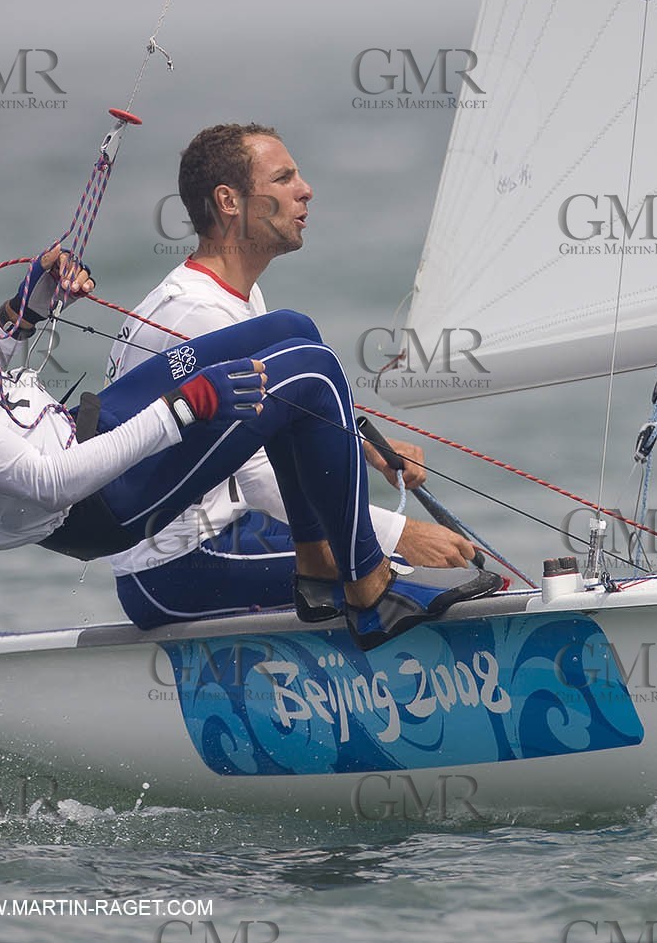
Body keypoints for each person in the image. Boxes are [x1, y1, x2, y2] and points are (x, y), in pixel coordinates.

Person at [0, 154, 498, 649]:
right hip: (92, 501)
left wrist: (26, 309)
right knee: (306, 372)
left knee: (291, 331)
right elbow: (45, 483)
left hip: (80, 427)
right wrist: (185, 407)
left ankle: (321, 563)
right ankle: (367, 592)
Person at [103, 123, 489, 633]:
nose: (305, 190)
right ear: (229, 202)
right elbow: (260, 478)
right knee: (416, 578)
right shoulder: (197, 315)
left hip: (234, 531)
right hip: (174, 565)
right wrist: (400, 534)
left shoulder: (234, 301)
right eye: (284, 178)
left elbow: (283, 426)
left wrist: (362, 447)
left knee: (426, 575)